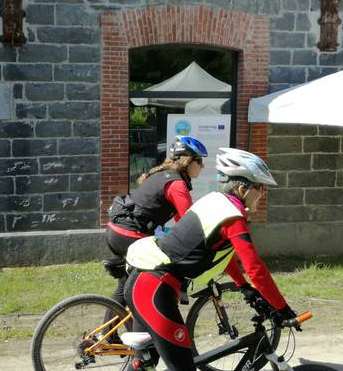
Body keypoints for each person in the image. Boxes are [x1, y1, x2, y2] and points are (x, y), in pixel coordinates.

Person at [123, 147, 297, 371]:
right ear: (242, 188)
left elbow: (225, 253)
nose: (263, 193)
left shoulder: (216, 202)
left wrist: (244, 287)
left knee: (144, 365)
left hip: (145, 284)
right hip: (154, 289)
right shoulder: (232, 217)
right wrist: (283, 309)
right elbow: (256, 268)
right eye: (260, 187)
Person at [105, 135, 208, 309]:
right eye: (199, 161)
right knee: (160, 277)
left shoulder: (163, 175)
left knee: (124, 288)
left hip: (116, 231)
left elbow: (180, 219)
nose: (202, 166)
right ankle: (153, 322)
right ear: (188, 161)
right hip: (131, 234)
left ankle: (108, 334)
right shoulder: (177, 184)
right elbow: (189, 221)